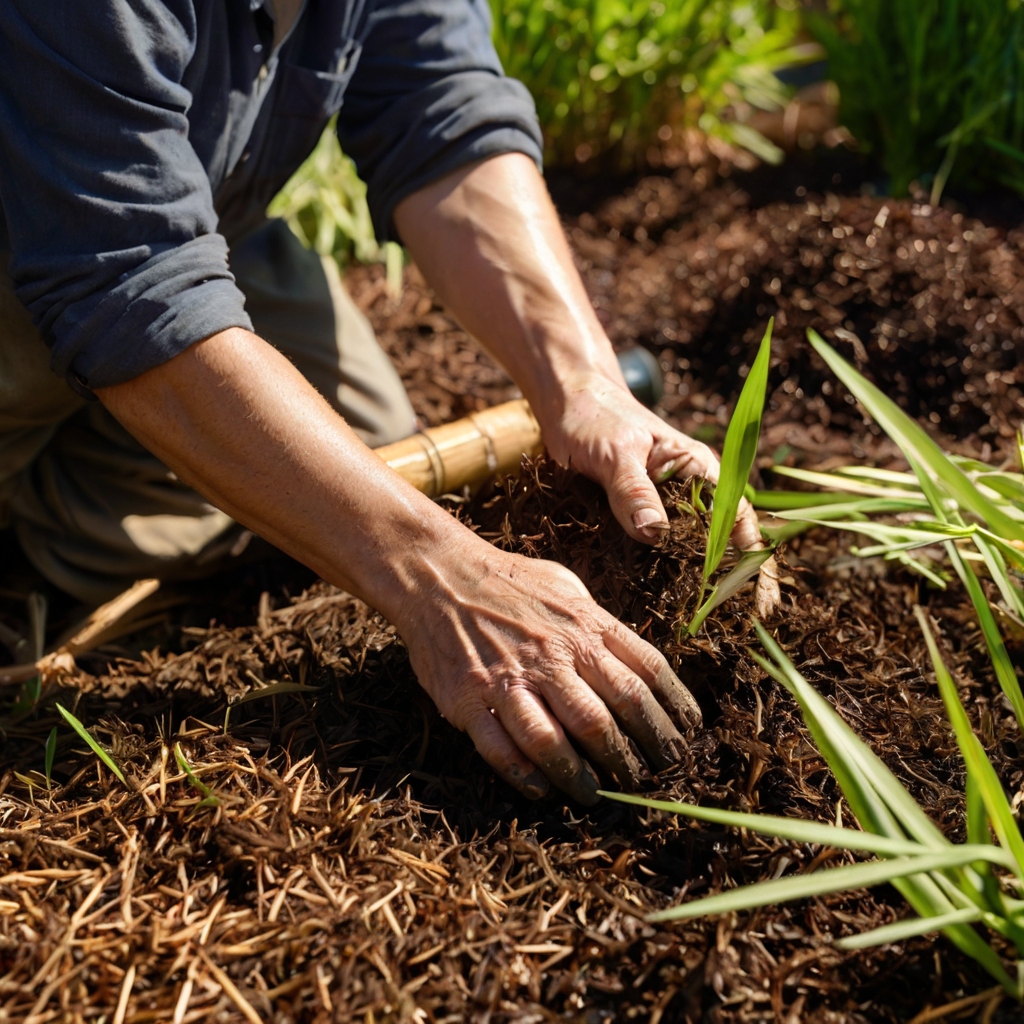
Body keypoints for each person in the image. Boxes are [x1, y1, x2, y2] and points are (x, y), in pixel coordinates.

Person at [0, 0, 761, 804]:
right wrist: (436, 576)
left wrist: (585, 385)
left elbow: (438, 110)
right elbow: (123, 277)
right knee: (337, 496)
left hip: (164, 210)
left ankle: (33, 539)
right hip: (58, 231)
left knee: (358, 439)